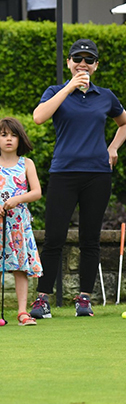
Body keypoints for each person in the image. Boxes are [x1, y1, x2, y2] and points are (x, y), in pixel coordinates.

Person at [30, 38, 126, 319]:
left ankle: (84, 298)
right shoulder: (55, 91)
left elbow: (125, 123)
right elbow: (39, 117)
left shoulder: (105, 96)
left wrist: (112, 148)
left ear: (95, 66)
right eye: (77, 59)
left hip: (97, 175)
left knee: (90, 238)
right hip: (63, 173)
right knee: (54, 237)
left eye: (88, 60)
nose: (82, 64)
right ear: (70, 63)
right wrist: (69, 87)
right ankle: (42, 299)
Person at [0, 117, 42, 326]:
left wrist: (17, 199)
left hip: (17, 223)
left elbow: (36, 192)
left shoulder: (27, 164)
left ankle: (23, 312)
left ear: (20, 139)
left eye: (13, 135)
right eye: (4, 135)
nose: (9, 139)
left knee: (20, 267)